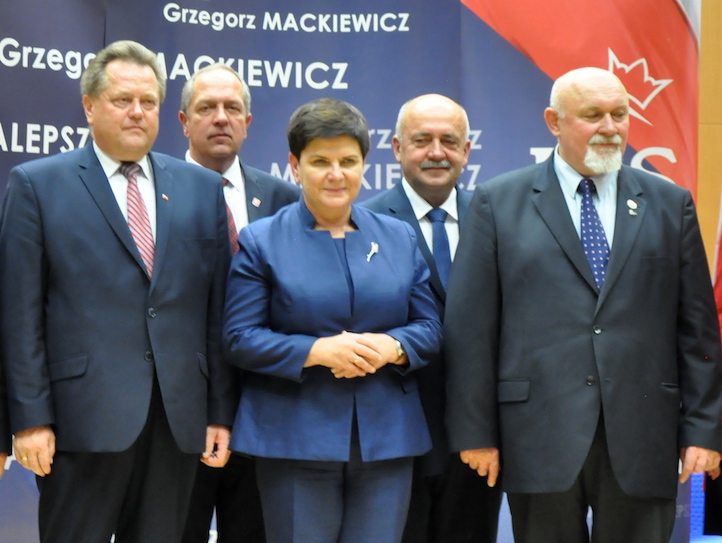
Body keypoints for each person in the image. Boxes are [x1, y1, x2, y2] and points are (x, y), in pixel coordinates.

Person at [444, 66, 722, 543]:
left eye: (620, 114)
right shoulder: (498, 201)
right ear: (554, 121)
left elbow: (697, 329)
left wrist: (703, 429)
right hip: (537, 433)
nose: (610, 127)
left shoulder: (669, 202)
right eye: (593, 115)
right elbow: (471, 328)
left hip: (643, 434)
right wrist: (476, 432)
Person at [0, 40, 235, 543]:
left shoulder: (201, 189)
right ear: (89, 106)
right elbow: (18, 315)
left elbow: (216, 312)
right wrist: (29, 419)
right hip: (78, 424)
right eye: (122, 100)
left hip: (177, 422)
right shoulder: (37, 185)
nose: (137, 112)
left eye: (148, 101)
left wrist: (219, 412)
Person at [222, 98, 442, 543]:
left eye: (348, 161)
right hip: (294, 439)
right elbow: (240, 337)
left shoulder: (398, 236)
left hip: (386, 441)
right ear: (295, 165)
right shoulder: (261, 240)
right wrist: (317, 351)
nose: (336, 174)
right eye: (320, 161)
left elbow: (430, 327)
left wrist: (394, 347)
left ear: (364, 165)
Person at [363, 93, 502, 543]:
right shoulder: (364, 222)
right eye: (422, 140)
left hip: (478, 441)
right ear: (397, 148)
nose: (437, 152)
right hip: (394, 437)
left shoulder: (499, 219)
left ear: (467, 150)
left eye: (449, 141)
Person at [178, 63, 299, 543]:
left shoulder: (285, 199)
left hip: (264, 411)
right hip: (179, 414)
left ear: (248, 123)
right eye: (206, 108)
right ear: (184, 121)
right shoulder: (152, 195)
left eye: (232, 108)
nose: (220, 118)